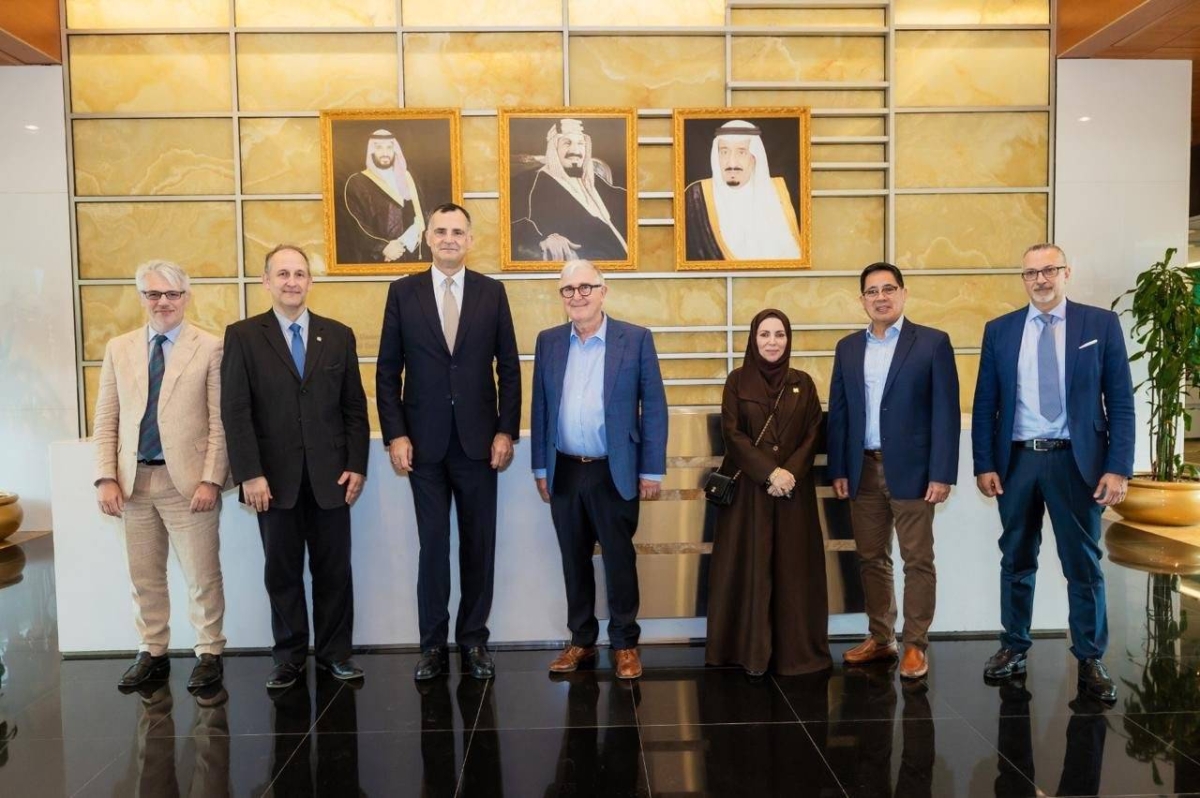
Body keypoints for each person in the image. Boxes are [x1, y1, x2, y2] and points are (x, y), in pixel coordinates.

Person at [973, 243, 1135, 703]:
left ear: (1067, 273)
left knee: (1083, 564)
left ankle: (1090, 657)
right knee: (1016, 559)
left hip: (1076, 463)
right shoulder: (1000, 330)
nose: (1040, 280)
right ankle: (1014, 646)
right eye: (1031, 273)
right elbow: (986, 403)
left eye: (1049, 270)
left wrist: (1117, 468)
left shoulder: (1099, 325)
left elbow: (1120, 401)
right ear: (1023, 279)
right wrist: (984, 463)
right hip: (1018, 462)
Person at [376, 202, 522, 682]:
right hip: (423, 446)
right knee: (434, 547)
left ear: (470, 240)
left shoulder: (492, 292)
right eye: (440, 231)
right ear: (428, 238)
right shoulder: (403, 292)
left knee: (479, 545)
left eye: (458, 231)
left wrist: (505, 430)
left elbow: (509, 368)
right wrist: (396, 434)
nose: (449, 239)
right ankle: (433, 645)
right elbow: (387, 371)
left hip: (480, 445)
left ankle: (474, 640)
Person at [220, 244, 369, 689]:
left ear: (310, 281)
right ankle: (288, 657)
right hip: (272, 480)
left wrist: (357, 465)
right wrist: (250, 473)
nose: (292, 282)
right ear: (266, 281)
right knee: (282, 572)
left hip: (332, 477)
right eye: (282, 274)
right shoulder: (244, 336)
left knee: (335, 572)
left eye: (299, 274)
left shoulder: (337, 335)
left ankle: (335, 654)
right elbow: (235, 411)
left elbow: (354, 407)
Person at [92, 260, 229, 692]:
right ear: (142, 298)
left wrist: (211, 479)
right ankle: (152, 651)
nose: (163, 302)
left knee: (202, 576)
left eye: (172, 294)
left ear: (186, 297)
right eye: (154, 294)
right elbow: (106, 419)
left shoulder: (210, 347)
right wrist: (105, 477)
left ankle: (209, 651)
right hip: (132, 483)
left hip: (186, 484)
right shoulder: (119, 348)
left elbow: (220, 420)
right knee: (144, 576)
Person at [530, 260, 668, 680]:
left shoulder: (636, 339)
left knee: (618, 560)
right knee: (574, 560)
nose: (578, 296)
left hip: (615, 470)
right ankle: (582, 639)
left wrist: (652, 470)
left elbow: (654, 407)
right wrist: (540, 466)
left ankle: (625, 643)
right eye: (568, 290)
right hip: (566, 470)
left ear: (603, 291)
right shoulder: (549, 341)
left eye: (585, 287)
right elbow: (540, 408)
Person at [826, 262, 961, 680]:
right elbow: (840, 412)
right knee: (871, 558)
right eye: (872, 291)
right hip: (862, 470)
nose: (880, 297)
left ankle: (915, 644)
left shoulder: (933, 343)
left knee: (917, 560)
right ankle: (881, 637)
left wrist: (942, 473)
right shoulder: (848, 348)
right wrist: (839, 467)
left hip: (915, 472)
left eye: (888, 289)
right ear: (862, 299)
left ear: (903, 293)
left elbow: (946, 413)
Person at [705, 309, 830, 676]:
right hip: (749, 493)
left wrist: (789, 473)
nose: (772, 342)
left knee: (794, 570)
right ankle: (748, 652)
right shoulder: (737, 381)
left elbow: (813, 432)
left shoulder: (803, 383)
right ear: (753, 339)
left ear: (788, 339)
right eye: (764, 334)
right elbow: (733, 435)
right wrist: (769, 473)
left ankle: (795, 653)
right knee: (750, 569)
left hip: (793, 492)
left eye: (779, 335)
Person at [511, 118, 629, 262]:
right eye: (567, 143)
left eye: (581, 144)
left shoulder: (595, 181)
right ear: (553, 149)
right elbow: (512, 227)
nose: (575, 151)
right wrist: (544, 240)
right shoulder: (531, 183)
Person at [683, 120, 802, 261]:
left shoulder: (782, 194)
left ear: (754, 157)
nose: (732, 163)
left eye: (741, 152)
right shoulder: (695, 197)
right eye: (724, 152)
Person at [342, 129, 426, 264]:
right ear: (371, 151)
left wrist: (402, 243)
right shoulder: (357, 182)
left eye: (389, 147)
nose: (385, 153)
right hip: (376, 260)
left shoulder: (408, 178)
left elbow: (421, 217)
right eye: (379, 148)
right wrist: (383, 247)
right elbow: (355, 224)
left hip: (410, 256)